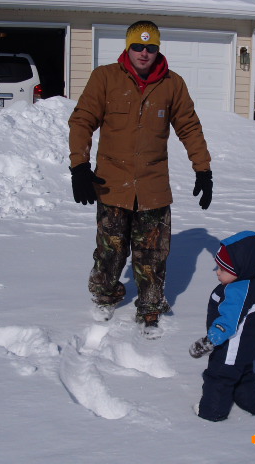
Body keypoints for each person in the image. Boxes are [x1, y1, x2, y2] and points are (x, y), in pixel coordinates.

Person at [68, 20, 212, 339]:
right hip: (111, 183)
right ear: (127, 47)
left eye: (151, 47)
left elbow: (189, 127)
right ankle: (105, 297)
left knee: (152, 254)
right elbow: (82, 121)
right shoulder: (105, 78)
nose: (144, 53)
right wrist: (79, 166)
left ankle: (150, 307)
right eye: (137, 46)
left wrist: (203, 169)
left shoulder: (172, 84)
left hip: (152, 186)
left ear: (158, 49)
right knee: (111, 251)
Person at [189, 230, 255, 421]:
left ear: (241, 269)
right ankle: (253, 407)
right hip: (246, 349)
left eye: (222, 270)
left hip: (230, 348)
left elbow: (227, 323)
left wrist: (209, 341)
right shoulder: (252, 282)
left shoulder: (237, 292)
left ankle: (211, 414)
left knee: (219, 378)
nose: (217, 272)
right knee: (243, 374)